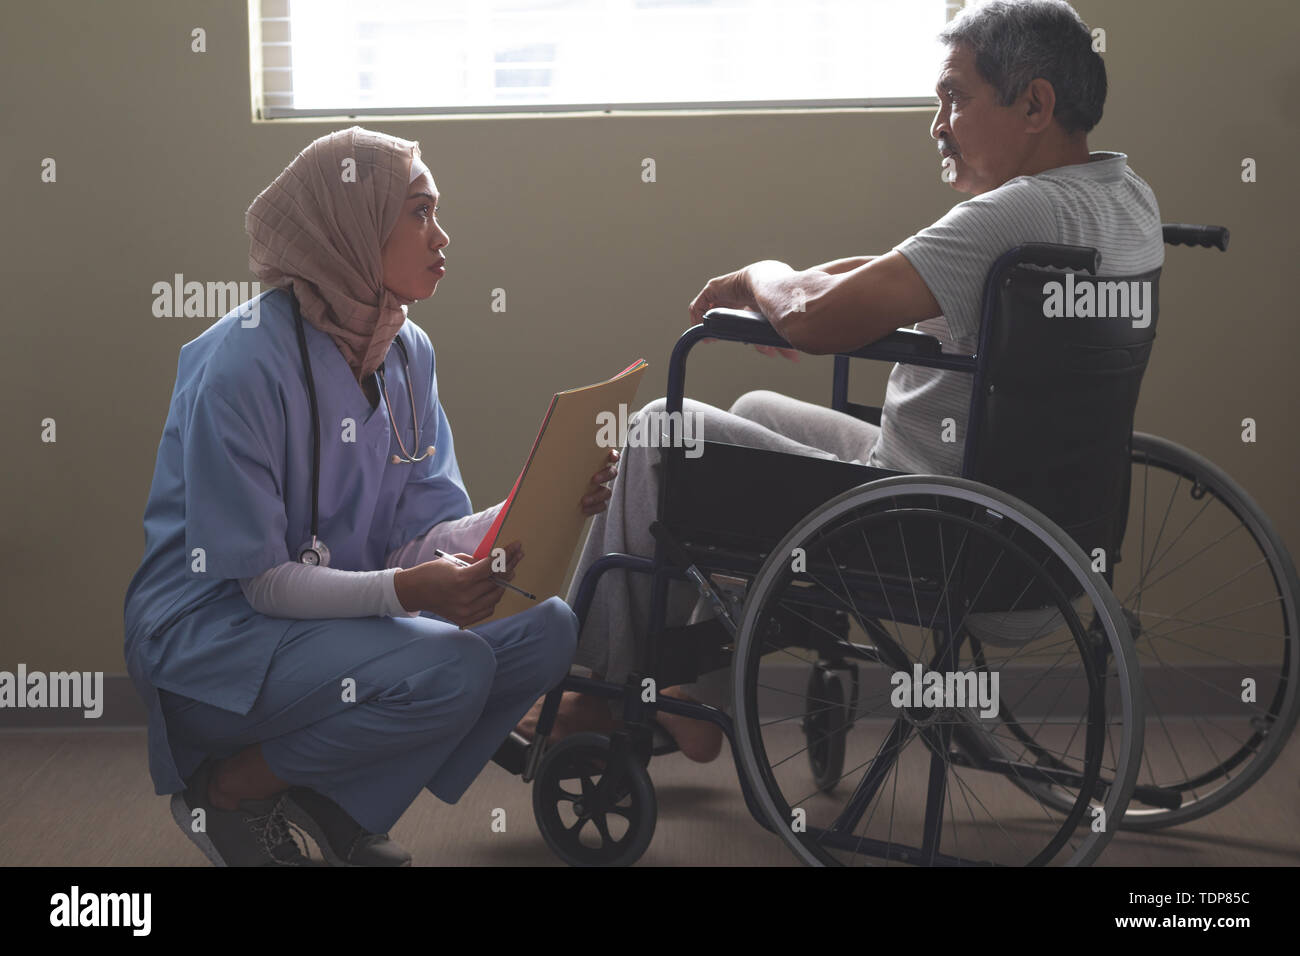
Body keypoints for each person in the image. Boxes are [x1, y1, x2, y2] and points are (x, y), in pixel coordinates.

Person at [533, 0, 1165, 761]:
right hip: (1041, 533)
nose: (938, 124)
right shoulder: (1123, 199)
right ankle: (690, 686)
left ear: (1035, 103)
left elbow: (809, 319)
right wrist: (789, 288)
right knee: (754, 407)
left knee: (659, 431)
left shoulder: (1009, 217)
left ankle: (601, 690)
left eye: (955, 98)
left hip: (930, 527)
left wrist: (764, 275)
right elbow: (887, 274)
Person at [122, 126, 618, 866]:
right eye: (419, 212)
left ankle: (334, 806)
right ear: (347, 228)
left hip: (332, 625)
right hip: (218, 636)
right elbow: (260, 582)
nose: (442, 235)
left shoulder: (406, 352)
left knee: (545, 627)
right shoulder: (239, 365)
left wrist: (531, 503)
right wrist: (408, 590)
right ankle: (228, 791)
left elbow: (421, 534)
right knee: (452, 666)